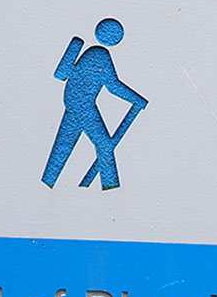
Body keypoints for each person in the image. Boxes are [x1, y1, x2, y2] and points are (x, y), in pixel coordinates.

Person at [42, 18, 147, 190]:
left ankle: (48, 182)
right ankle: (110, 186)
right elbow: (112, 86)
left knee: (62, 147)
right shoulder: (100, 56)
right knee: (103, 146)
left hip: (73, 105)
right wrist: (136, 99)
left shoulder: (90, 54)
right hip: (83, 107)